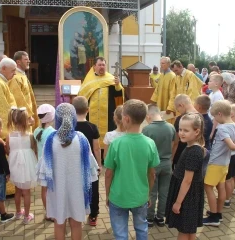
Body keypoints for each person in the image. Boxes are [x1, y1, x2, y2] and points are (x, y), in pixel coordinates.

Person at [38, 103, 98, 240]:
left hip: (57, 191)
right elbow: (91, 169)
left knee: (59, 224)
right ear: (74, 118)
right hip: (77, 191)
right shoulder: (82, 139)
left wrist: (45, 189)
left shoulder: (50, 140)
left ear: (57, 119)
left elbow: (45, 172)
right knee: (76, 224)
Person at [105, 99, 160, 240]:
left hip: (118, 196)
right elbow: (152, 173)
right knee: (142, 229)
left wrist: (107, 194)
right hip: (140, 196)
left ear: (126, 119)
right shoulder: (150, 143)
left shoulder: (116, 144)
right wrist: (147, 193)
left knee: (120, 233)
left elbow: (109, 173)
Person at [165, 113, 206, 240]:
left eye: (186, 130)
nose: (181, 133)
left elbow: (187, 181)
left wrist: (178, 202)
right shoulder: (190, 147)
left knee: (183, 230)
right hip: (188, 194)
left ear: (197, 131)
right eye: (180, 129)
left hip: (187, 196)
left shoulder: (194, 151)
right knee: (189, 228)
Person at [203, 100, 235, 226]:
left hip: (216, 163)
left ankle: (213, 216)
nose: (215, 119)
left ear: (220, 114)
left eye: (214, 116)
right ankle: (218, 213)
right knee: (221, 187)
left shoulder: (222, 128)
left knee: (208, 187)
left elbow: (231, 145)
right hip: (225, 163)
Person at [78, 57, 124, 145]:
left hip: (107, 116)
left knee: (107, 140)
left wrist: (118, 85)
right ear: (94, 66)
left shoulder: (111, 79)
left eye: (103, 65)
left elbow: (118, 95)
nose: (102, 67)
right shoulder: (88, 80)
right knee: (91, 138)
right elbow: (82, 95)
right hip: (91, 115)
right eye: (99, 65)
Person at [143, 105, 175, 228]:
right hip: (167, 163)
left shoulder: (147, 129)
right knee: (164, 191)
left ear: (148, 116)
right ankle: (161, 217)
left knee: (152, 191)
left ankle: (149, 217)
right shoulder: (171, 127)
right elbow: (173, 144)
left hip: (153, 164)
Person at [72, 96, 101, 226]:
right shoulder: (92, 127)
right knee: (93, 189)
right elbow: (96, 148)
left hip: (74, 163)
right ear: (88, 110)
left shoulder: (69, 126)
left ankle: (74, 213)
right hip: (89, 164)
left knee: (75, 187)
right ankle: (93, 215)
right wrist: (99, 165)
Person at [6, 107, 38, 224]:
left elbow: (7, 149)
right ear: (25, 121)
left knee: (17, 190)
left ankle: (18, 212)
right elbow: (34, 149)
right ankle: (26, 216)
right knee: (26, 192)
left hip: (14, 164)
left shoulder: (10, 135)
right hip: (27, 164)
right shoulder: (30, 135)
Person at [34, 104, 55, 222]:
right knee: (51, 190)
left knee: (44, 189)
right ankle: (52, 212)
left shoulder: (36, 131)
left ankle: (48, 212)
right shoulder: (52, 132)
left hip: (41, 164)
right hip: (51, 163)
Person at [8, 51, 39, 130]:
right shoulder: (16, 77)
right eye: (26, 59)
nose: (29, 61)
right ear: (18, 62)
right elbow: (18, 98)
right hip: (22, 117)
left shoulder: (22, 75)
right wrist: (28, 115)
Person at [172, 95, 198, 170]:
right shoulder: (200, 117)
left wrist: (171, 158)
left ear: (181, 105)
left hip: (181, 154)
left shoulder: (181, 119)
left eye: (178, 109)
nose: (179, 112)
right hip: (196, 153)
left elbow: (176, 142)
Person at [224, 105, 235, 208]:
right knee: (230, 179)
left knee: (227, 179)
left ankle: (226, 199)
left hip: (230, 156)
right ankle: (228, 198)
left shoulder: (228, 127)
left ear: (231, 114)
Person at [150, 57, 176, 121]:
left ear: (168, 64)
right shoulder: (161, 75)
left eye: (163, 63)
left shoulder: (173, 76)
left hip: (168, 103)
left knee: (168, 120)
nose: (161, 65)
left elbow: (173, 92)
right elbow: (157, 89)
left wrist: (170, 107)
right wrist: (154, 100)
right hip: (160, 101)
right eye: (160, 63)